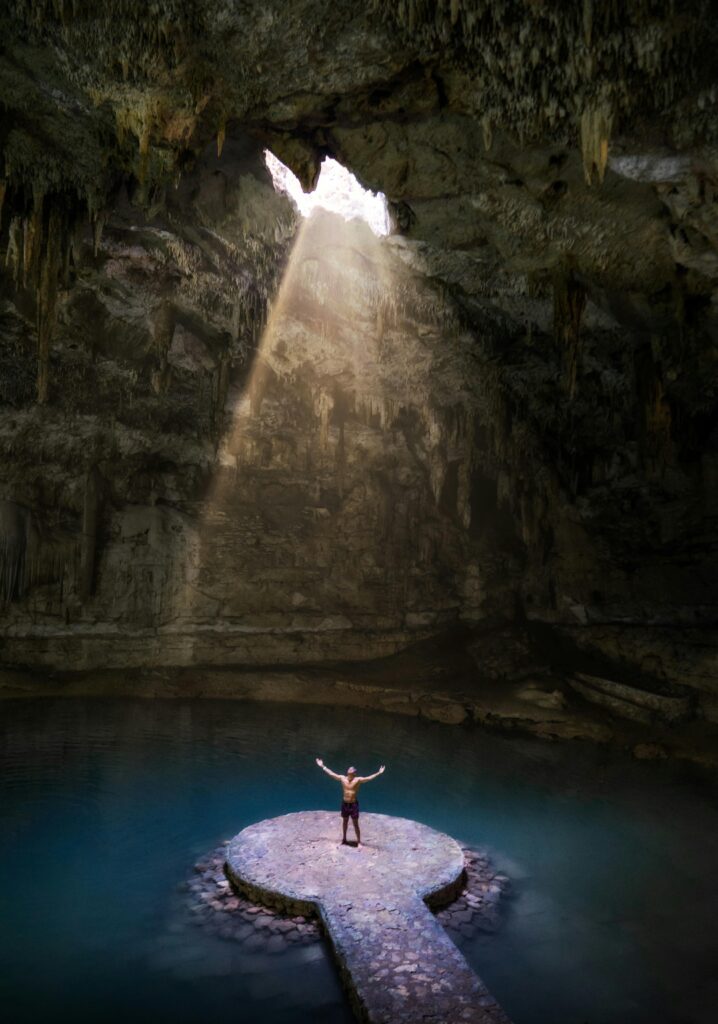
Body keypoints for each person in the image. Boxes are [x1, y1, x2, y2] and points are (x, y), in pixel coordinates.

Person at [315, 758, 385, 848]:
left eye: (352, 769)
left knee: (355, 823)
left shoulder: (358, 780)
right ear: (348, 772)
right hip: (345, 803)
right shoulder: (342, 778)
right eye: (349, 769)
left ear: (354, 773)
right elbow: (331, 774)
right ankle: (344, 839)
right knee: (345, 822)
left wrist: (379, 773)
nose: (350, 769)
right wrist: (322, 766)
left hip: (353, 804)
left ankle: (359, 842)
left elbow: (369, 778)